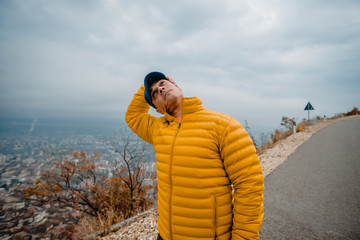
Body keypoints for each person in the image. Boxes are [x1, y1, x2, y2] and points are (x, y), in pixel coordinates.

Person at [125, 72, 264, 240]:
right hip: (165, 234)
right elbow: (133, 116)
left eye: (163, 83)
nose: (160, 88)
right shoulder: (158, 129)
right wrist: (145, 86)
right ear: (159, 109)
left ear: (177, 86)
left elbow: (249, 186)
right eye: (154, 93)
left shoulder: (223, 125)